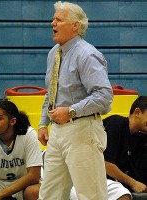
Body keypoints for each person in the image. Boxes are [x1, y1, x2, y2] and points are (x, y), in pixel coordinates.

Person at [38, 1, 113, 200]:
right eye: (53, 18)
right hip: (58, 131)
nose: (52, 22)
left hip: (83, 130)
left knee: (91, 195)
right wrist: (43, 123)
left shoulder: (87, 54)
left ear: (75, 26)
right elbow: (52, 91)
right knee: (49, 195)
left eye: (58, 19)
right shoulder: (54, 52)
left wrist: (71, 111)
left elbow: (104, 96)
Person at [102, 96, 147, 199]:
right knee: (123, 194)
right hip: (95, 179)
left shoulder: (139, 137)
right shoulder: (116, 123)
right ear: (137, 112)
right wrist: (133, 183)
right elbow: (106, 164)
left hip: (117, 184)